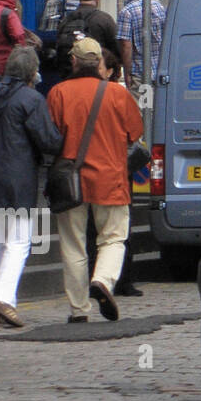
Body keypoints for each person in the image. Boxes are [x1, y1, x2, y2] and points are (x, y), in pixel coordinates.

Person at [0, 47, 64, 327]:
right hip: (16, 179)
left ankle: (0, 303)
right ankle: (4, 299)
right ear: (32, 72)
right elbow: (48, 141)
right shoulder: (31, 99)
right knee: (18, 242)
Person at [46, 39, 144, 322]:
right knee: (113, 238)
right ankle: (102, 280)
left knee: (73, 245)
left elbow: (51, 138)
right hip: (110, 178)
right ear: (99, 63)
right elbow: (134, 134)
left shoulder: (58, 93)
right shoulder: (117, 94)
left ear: (74, 61)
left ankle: (78, 310)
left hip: (70, 180)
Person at [55, 0, 122, 81]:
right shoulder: (104, 19)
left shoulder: (66, 19)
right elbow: (116, 47)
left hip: (70, 75)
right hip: (98, 75)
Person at [116, 0, 166, 92]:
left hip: (140, 74)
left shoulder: (126, 12)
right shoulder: (158, 6)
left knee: (143, 108)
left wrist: (127, 73)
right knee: (157, 109)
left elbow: (125, 45)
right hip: (160, 71)